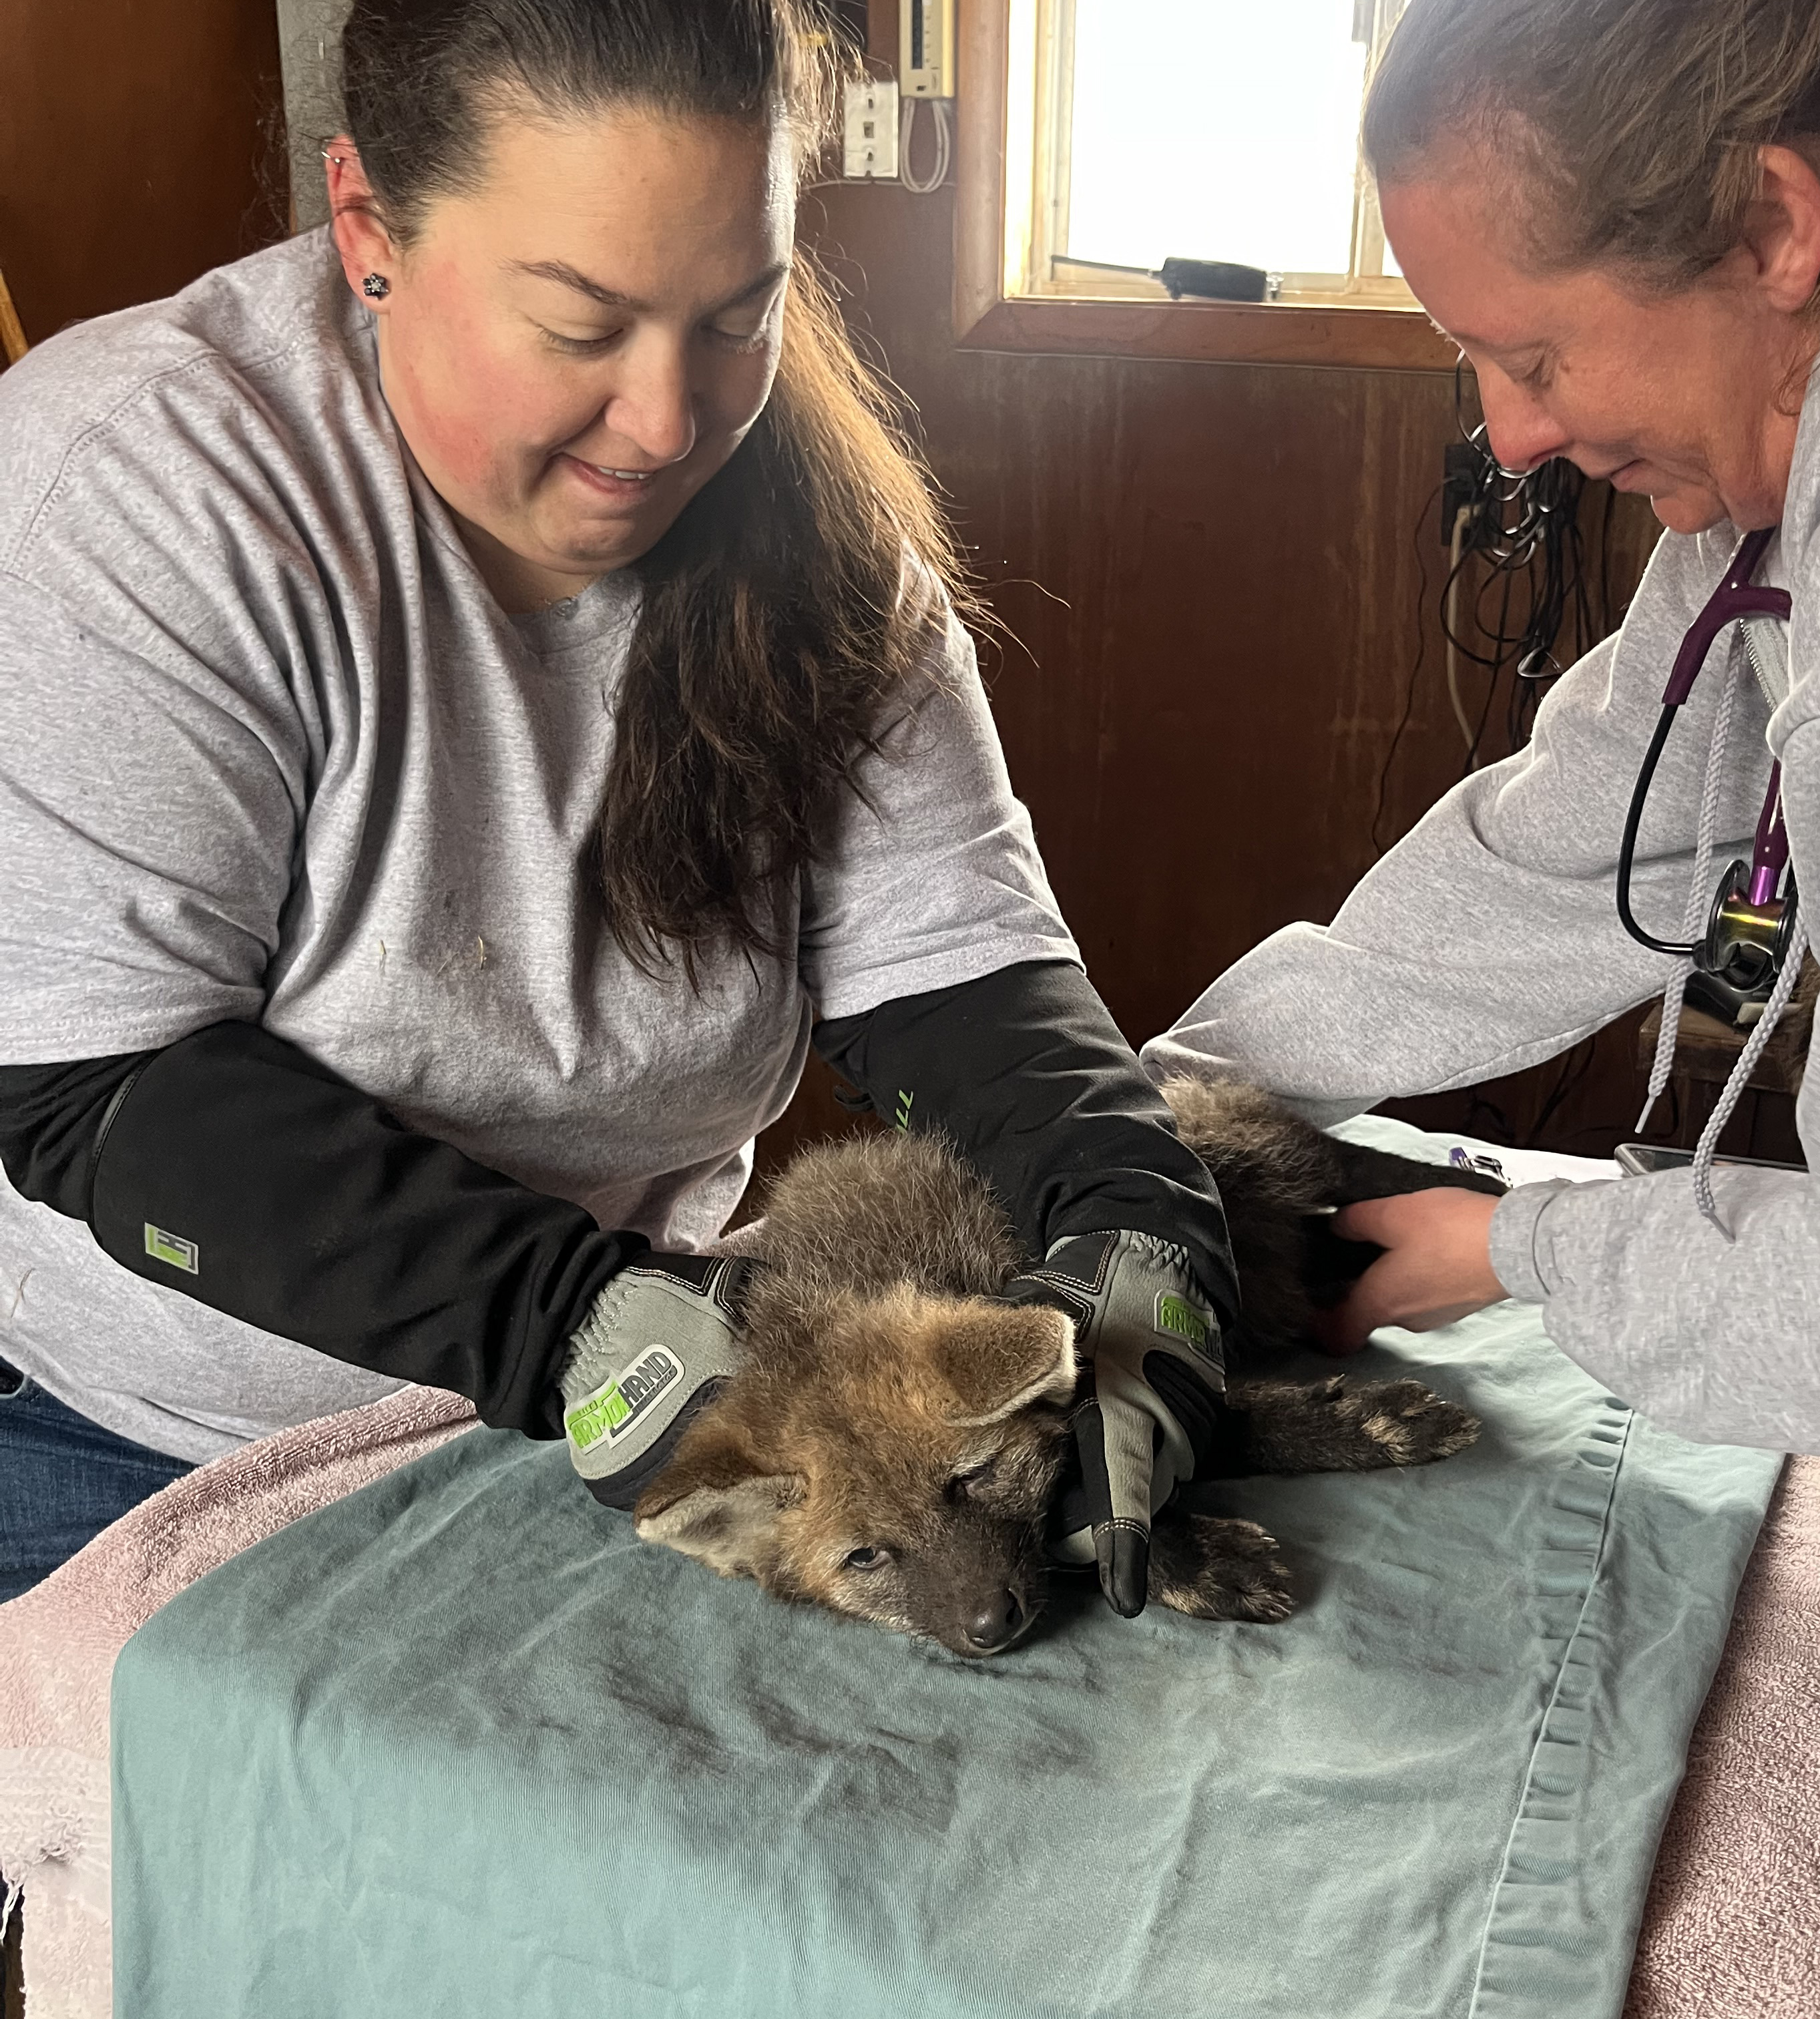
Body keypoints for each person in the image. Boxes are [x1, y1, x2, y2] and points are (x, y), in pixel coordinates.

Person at [0, 0, 1232, 1618]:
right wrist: (573, 1324)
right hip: (168, 1447)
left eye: (741, 314)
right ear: (368, 227)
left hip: (641, 1402)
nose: (669, 425)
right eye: (582, 326)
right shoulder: (137, 496)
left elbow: (966, 987)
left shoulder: (829, 555)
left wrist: (1139, 1226)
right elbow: (89, 1079)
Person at [1148, 0, 1820, 1470]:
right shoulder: (1799, 406)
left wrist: (1524, 1249)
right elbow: (1584, 839)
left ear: (1764, 225)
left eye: (1536, 359)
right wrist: (1162, 1103)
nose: (1510, 436)